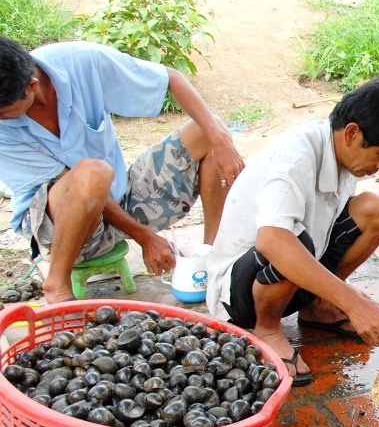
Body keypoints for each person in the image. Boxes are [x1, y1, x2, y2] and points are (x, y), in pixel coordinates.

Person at [0, 36, 244, 304]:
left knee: (209, 130)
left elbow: (171, 79)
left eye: (3, 112)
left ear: (32, 86)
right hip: (68, 233)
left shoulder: (81, 62)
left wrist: (220, 139)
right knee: (93, 173)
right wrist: (145, 237)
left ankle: (210, 260)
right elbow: (84, 188)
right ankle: (57, 285)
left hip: (121, 199)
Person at [205, 79, 379, 386]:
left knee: (378, 209)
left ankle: (317, 307)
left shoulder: (342, 152)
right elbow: (272, 241)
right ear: (352, 133)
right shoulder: (295, 157)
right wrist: (355, 303)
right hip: (241, 292)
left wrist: (344, 298)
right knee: (291, 239)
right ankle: (266, 328)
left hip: (295, 271)